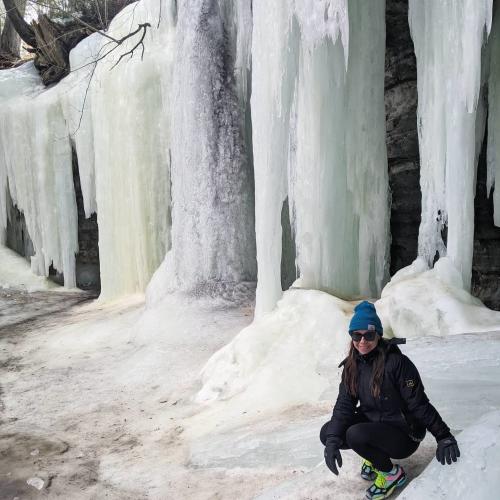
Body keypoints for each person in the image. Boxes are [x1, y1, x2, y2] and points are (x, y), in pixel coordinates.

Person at [320, 301, 460, 500]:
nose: (362, 341)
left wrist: (443, 436)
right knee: (328, 433)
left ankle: (391, 475)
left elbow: (418, 404)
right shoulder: (352, 365)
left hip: (403, 434)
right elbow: (345, 405)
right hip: (375, 423)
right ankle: (373, 456)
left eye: (369, 335)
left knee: (355, 434)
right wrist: (333, 441)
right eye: (356, 335)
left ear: (378, 334)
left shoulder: (397, 363)